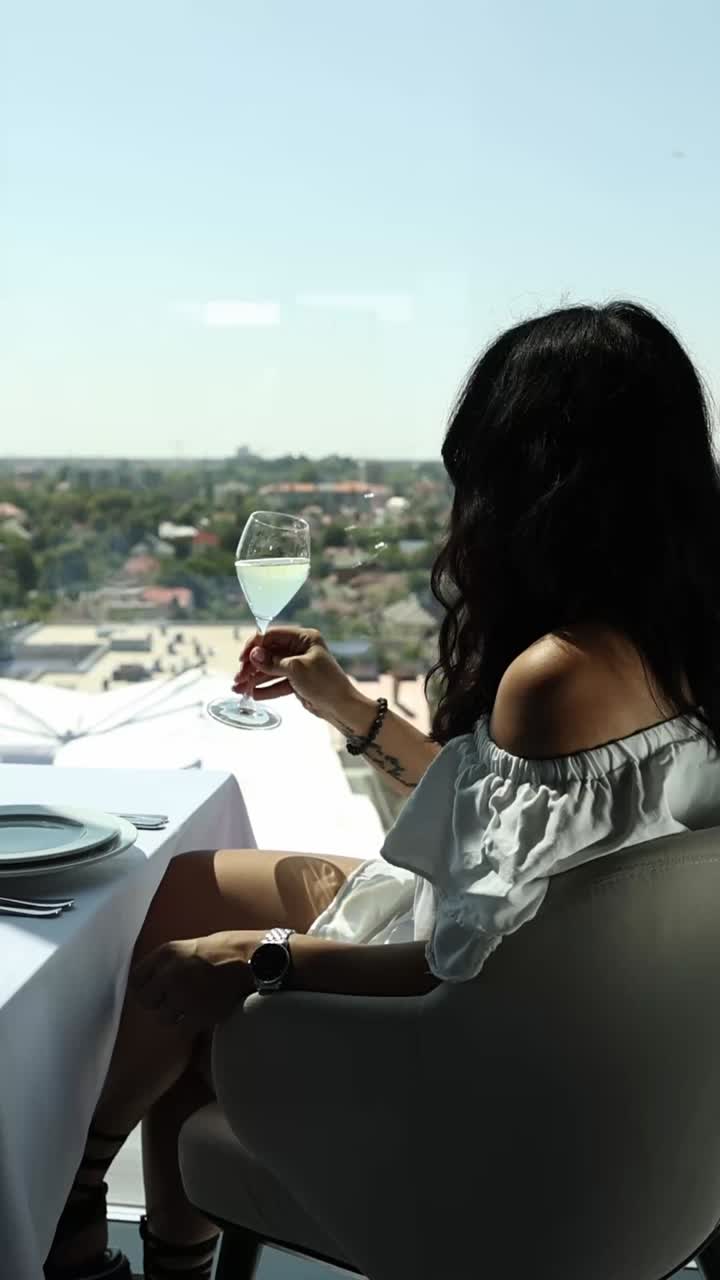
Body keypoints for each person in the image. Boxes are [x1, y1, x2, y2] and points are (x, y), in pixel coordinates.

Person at [45, 301, 720, 1280]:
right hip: (611, 1040)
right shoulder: (679, 643)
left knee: (202, 979)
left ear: (538, 487)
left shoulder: (557, 674)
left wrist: (260, 955)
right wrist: (347, 707)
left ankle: (96, 1210)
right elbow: (509, 837)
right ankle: (84, 1188)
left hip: (470, 1069)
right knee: (196, 878)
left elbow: (460, 967)